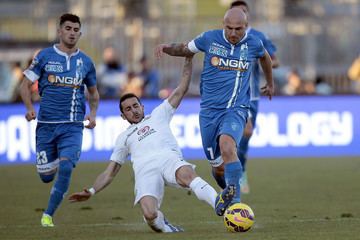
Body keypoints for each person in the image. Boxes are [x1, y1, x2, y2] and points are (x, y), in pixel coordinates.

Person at [68, 57, 231, 232]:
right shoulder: (123, 138)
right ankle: (168, 229)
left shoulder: (158, 115)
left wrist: (188, 59)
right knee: (150, 214)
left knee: (187, 173)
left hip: (168, 159)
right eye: (128, 109)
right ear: (123, 116)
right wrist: (91, 191)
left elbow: (181, 89)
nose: (134, 110)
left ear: (142, 106)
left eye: (135, 106)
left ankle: (218, 203)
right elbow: (109, 173)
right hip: (145, 171)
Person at [155, 7, 274, 213]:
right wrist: (166, 48)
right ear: (223, 25)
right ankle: (227, 190)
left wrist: (270, 83)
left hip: (236, 108)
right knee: (218, 166)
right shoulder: (209, 38)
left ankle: (236, 204)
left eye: (238, 29)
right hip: (209, 112)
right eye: (229, 28)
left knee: (228, 146)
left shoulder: (253, 43)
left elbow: (265, 58)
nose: (234, 33)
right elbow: (185, 48)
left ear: (246, 27)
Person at [19, 13, 100, 227]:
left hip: (72, 127)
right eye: (68, 28)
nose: (72, 33)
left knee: (66, 168)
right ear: (59, 31)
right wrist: (29, 108)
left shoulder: (86, 62)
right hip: (46, 127)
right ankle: (52, 164)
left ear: (80, 34)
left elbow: (93, 92)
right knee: (46, 177)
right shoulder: (45, 56)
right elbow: (23, 86)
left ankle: (48, 215)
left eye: (76, 30)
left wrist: (92, 114)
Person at [230, 0, 279, 193]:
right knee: (241, 132)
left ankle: (239, 169)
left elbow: (275, 61)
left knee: (246, 134)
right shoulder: (226, 37)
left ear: (247, 15)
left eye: (243, 11)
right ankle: (234, 171)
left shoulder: (258, 37)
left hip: (252, 95)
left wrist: (263, 60)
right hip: (230, 95)